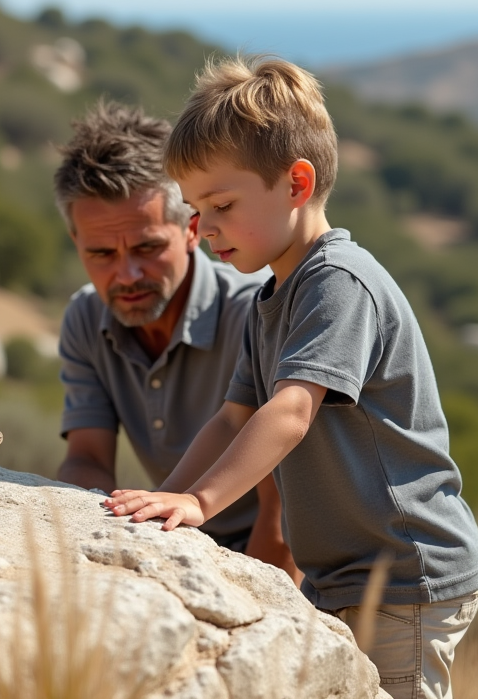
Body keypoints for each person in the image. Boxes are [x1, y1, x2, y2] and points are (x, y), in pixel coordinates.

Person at [104, 56, 478, 699]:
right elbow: (230, 419)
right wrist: (163, 501)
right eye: (196, 209)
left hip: (402, 575)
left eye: (222, 204)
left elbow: (291, 411)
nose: (204, 230)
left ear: (297, 184)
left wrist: (201, 502)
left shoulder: (338, 282)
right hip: (343, 575)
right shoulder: (270, 297)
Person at [53, 101, 296, 575]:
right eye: (101, 252)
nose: (127, 274)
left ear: (191, 229)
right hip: (177, 536)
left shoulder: (256, 311)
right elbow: (87, 460)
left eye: (147, 247)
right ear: (75, 241)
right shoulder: (85, 316)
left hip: (278, 559)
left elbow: (280, 517)